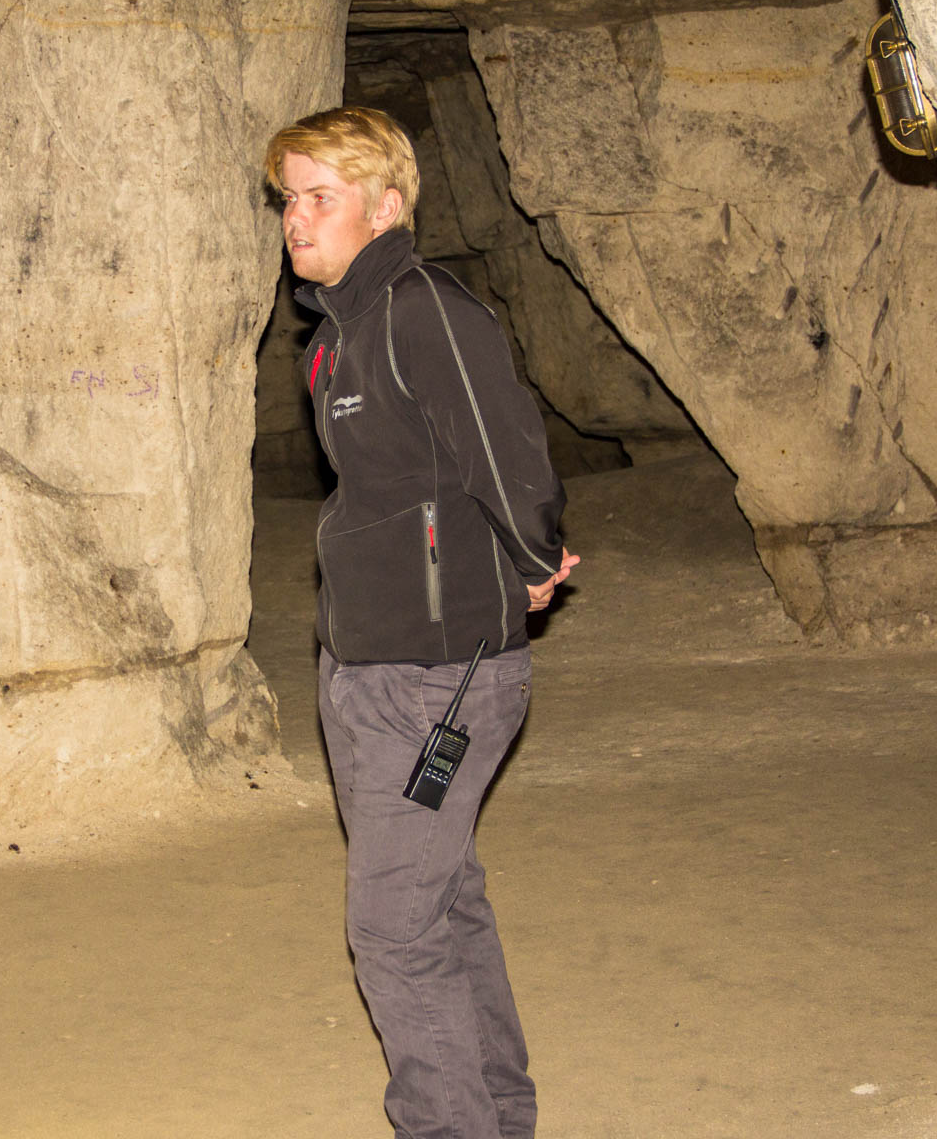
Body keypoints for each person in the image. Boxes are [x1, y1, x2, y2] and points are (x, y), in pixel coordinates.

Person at [264, 106, 580, 1139]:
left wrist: (533, 561)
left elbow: (505, 447)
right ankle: (498, 1115)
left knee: (394, 928)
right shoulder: (336, 334)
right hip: (363, 667)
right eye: (288, 199)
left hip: (439, 676)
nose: (295, 219)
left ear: (386, 206)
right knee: (440, 901)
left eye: (320, 197)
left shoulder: (422, 311)